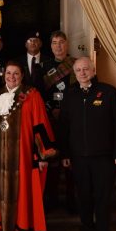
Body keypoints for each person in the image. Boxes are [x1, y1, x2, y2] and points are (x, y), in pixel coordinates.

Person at [0, 60, 57, 231]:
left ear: (22, 75)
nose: (12, 77)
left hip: (24, 156)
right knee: (1, 193)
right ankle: (7, 229)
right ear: (3, 75)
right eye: (8, 73)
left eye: (16, 73)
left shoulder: (32, 95)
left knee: (23, 194)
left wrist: (42, 156)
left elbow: (41, 125)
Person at [58, 57, 116, 231]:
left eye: (86, 69)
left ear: (93, 69)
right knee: (84, 198)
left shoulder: (109, 92)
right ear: (75, 73)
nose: (82, 73)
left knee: (103, 198)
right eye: (78, 70)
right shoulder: (70, 95)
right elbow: (64, 128)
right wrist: (65, 153)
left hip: (104, 158)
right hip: (78, 158)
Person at [43, 30, 77, 213]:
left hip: (73, 120)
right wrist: (51, 110)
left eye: (61, 42)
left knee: (72, 160)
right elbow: (40, 94)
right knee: (53, 160)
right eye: (55, 43)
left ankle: (72, 199)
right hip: (52, 120)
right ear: (50, 46)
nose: (58, 46)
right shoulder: (44, 66)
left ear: (67, 44)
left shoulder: (76, 64)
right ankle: (52, 199)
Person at [16, 30, 49, 102]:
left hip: (44, 101)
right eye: (30, 40)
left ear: (40, 44)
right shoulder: (18, 62)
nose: (33, 43)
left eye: (36, 40)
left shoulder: (48, 61)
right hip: (23, 100)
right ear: (25, 44)